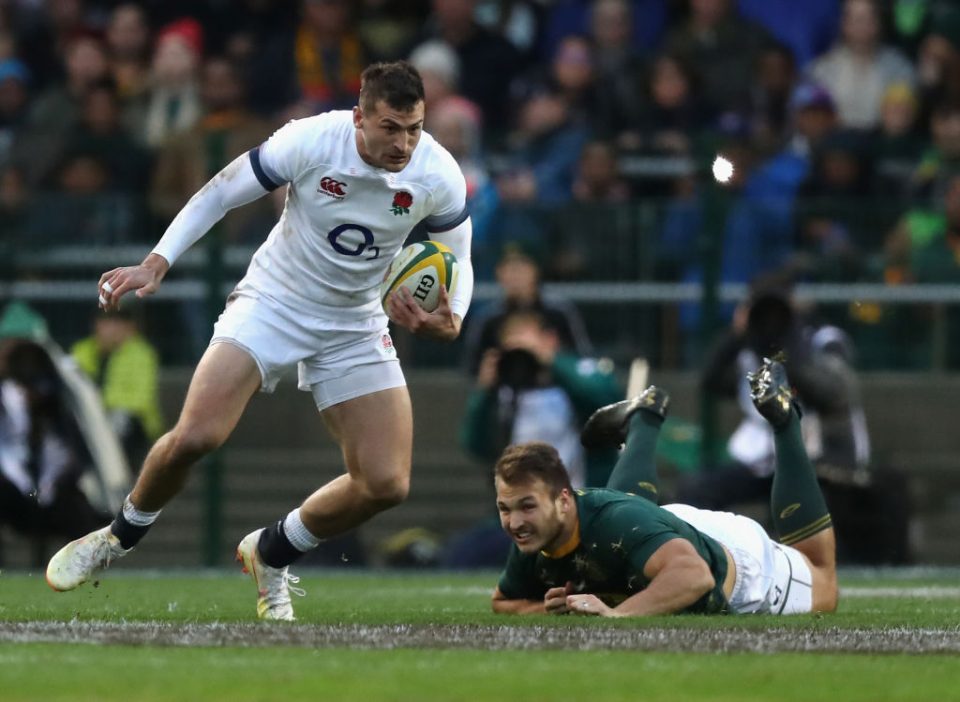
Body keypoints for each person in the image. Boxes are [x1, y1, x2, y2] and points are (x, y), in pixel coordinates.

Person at [46, 61, 475, 622]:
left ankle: (271, 552)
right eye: (391, 127)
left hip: (355, 321)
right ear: (358, 118)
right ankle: (117, 536)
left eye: (414, 128)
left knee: (387, 483)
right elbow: (221, 192)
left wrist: (454, 315)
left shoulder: (436, 172)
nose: (404, 142)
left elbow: (458, 255)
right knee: (197, 436)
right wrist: (158, 261)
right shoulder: (310, 140)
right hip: (274, 302)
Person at [491, 358, 838, 616]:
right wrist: (547, 609)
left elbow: (695, 578)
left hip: (735, 564)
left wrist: (616, 614)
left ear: (562, 501)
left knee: (823, 582)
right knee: (627, 518)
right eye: (504, 508)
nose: (515, 522)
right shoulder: (536, 536)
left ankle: (785, 420)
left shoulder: (607, 520)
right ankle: (645, 418)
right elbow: (502, 602)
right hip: (663, 533)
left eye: (526, 506)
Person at [70, 308, 164, 472]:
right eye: (105, 322)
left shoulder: (142, 353)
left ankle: (115, 479)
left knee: (119, 419)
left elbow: (140, 400)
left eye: (118, 322)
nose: (111, 329)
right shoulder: (82, 349)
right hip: (91, 419)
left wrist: (99, 403)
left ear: (130, 327)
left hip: (134, 427)